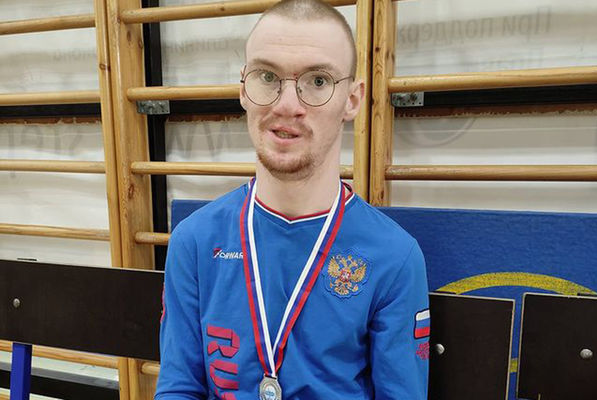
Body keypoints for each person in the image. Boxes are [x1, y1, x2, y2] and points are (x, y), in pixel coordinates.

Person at [155, 0, 429, 399]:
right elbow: (178, 388)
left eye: (317, 81)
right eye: (267, 76)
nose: (287, 105)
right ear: (243, 90)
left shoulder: (394, 256)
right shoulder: (194, 241)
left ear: (352, 100)